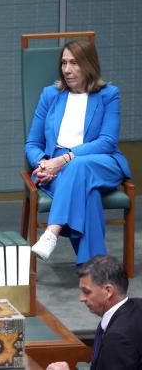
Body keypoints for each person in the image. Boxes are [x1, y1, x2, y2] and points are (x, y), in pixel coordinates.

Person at [26, 40, 131, 263]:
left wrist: (65, 158)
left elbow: (107, 141)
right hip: (57, 170)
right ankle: (93, 269)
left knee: (78, 165)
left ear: (89, 64)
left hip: (101, 162)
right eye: (64, 63)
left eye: (74, 63)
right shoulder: (50, 95)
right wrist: (43, 163)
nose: (67, 69)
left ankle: (52, 232)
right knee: (89, 195)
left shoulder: (108, 94)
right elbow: (32, 143)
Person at [46, 255, 142, 370]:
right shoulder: (138, 306)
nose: (81, 298)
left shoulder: (117, 339)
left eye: (86, 292)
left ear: (108, 291)